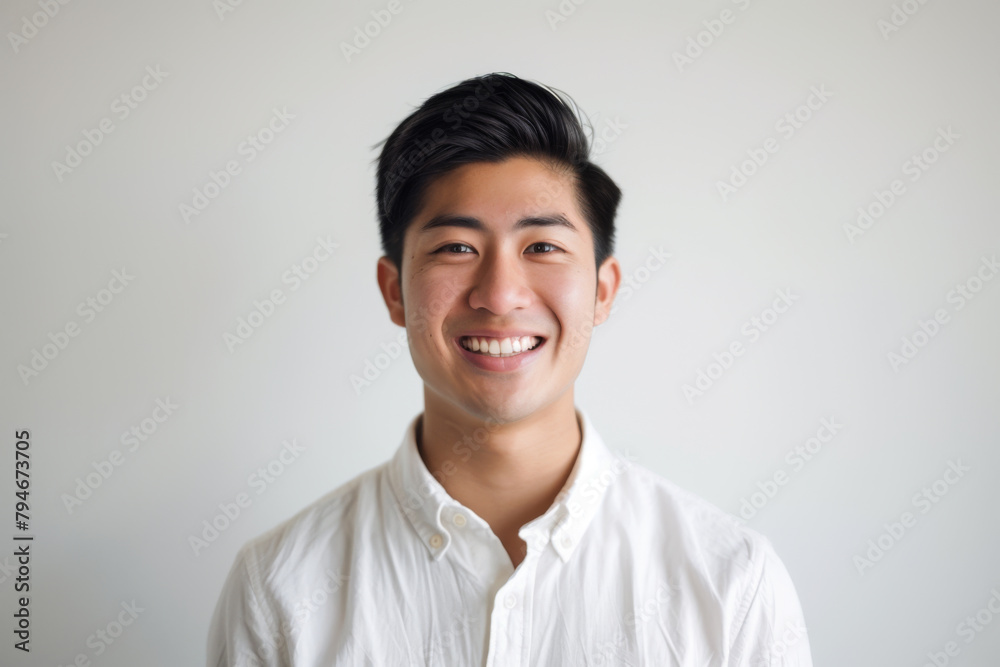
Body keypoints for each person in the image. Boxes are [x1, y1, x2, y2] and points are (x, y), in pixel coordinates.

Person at [207, 72, 814, 666]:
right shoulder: (280, 589)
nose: (500, 295)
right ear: (395, 291)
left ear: (603, 291)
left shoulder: (729, 582)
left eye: (542, 247)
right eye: (456, 248)